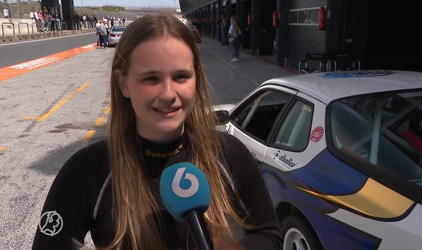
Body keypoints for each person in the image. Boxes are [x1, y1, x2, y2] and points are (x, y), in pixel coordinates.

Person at [31, 13, 282, 250]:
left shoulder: (229, 154)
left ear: (197, 78)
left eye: (181, 76)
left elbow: (270, 236)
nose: (168, 95)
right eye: (151, 79)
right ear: (123, 82)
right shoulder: (86, 171)